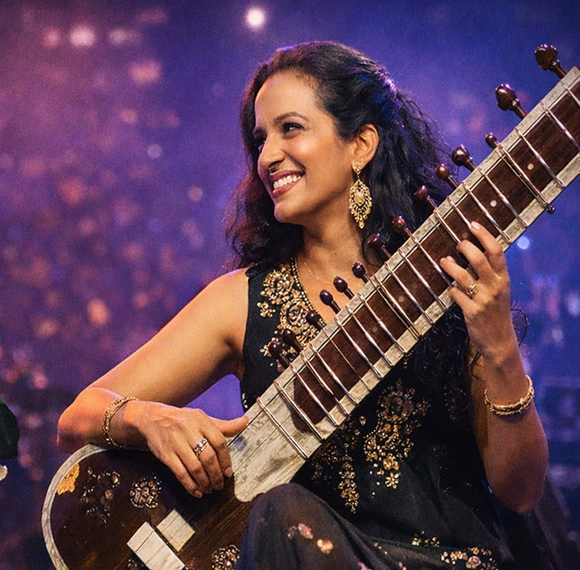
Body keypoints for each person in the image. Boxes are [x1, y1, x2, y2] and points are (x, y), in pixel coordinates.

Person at [57, 41, 548, 569]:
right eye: (260, 138)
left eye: (290, 129)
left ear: (360, 144)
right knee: (283, 516)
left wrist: (498, 344)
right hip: (299, 550)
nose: (268, 156)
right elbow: (78, 417)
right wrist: (147, 418)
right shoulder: (240, 300)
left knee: (282, 515)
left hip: (451, 560)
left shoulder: (446, 277)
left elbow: (520, 491)